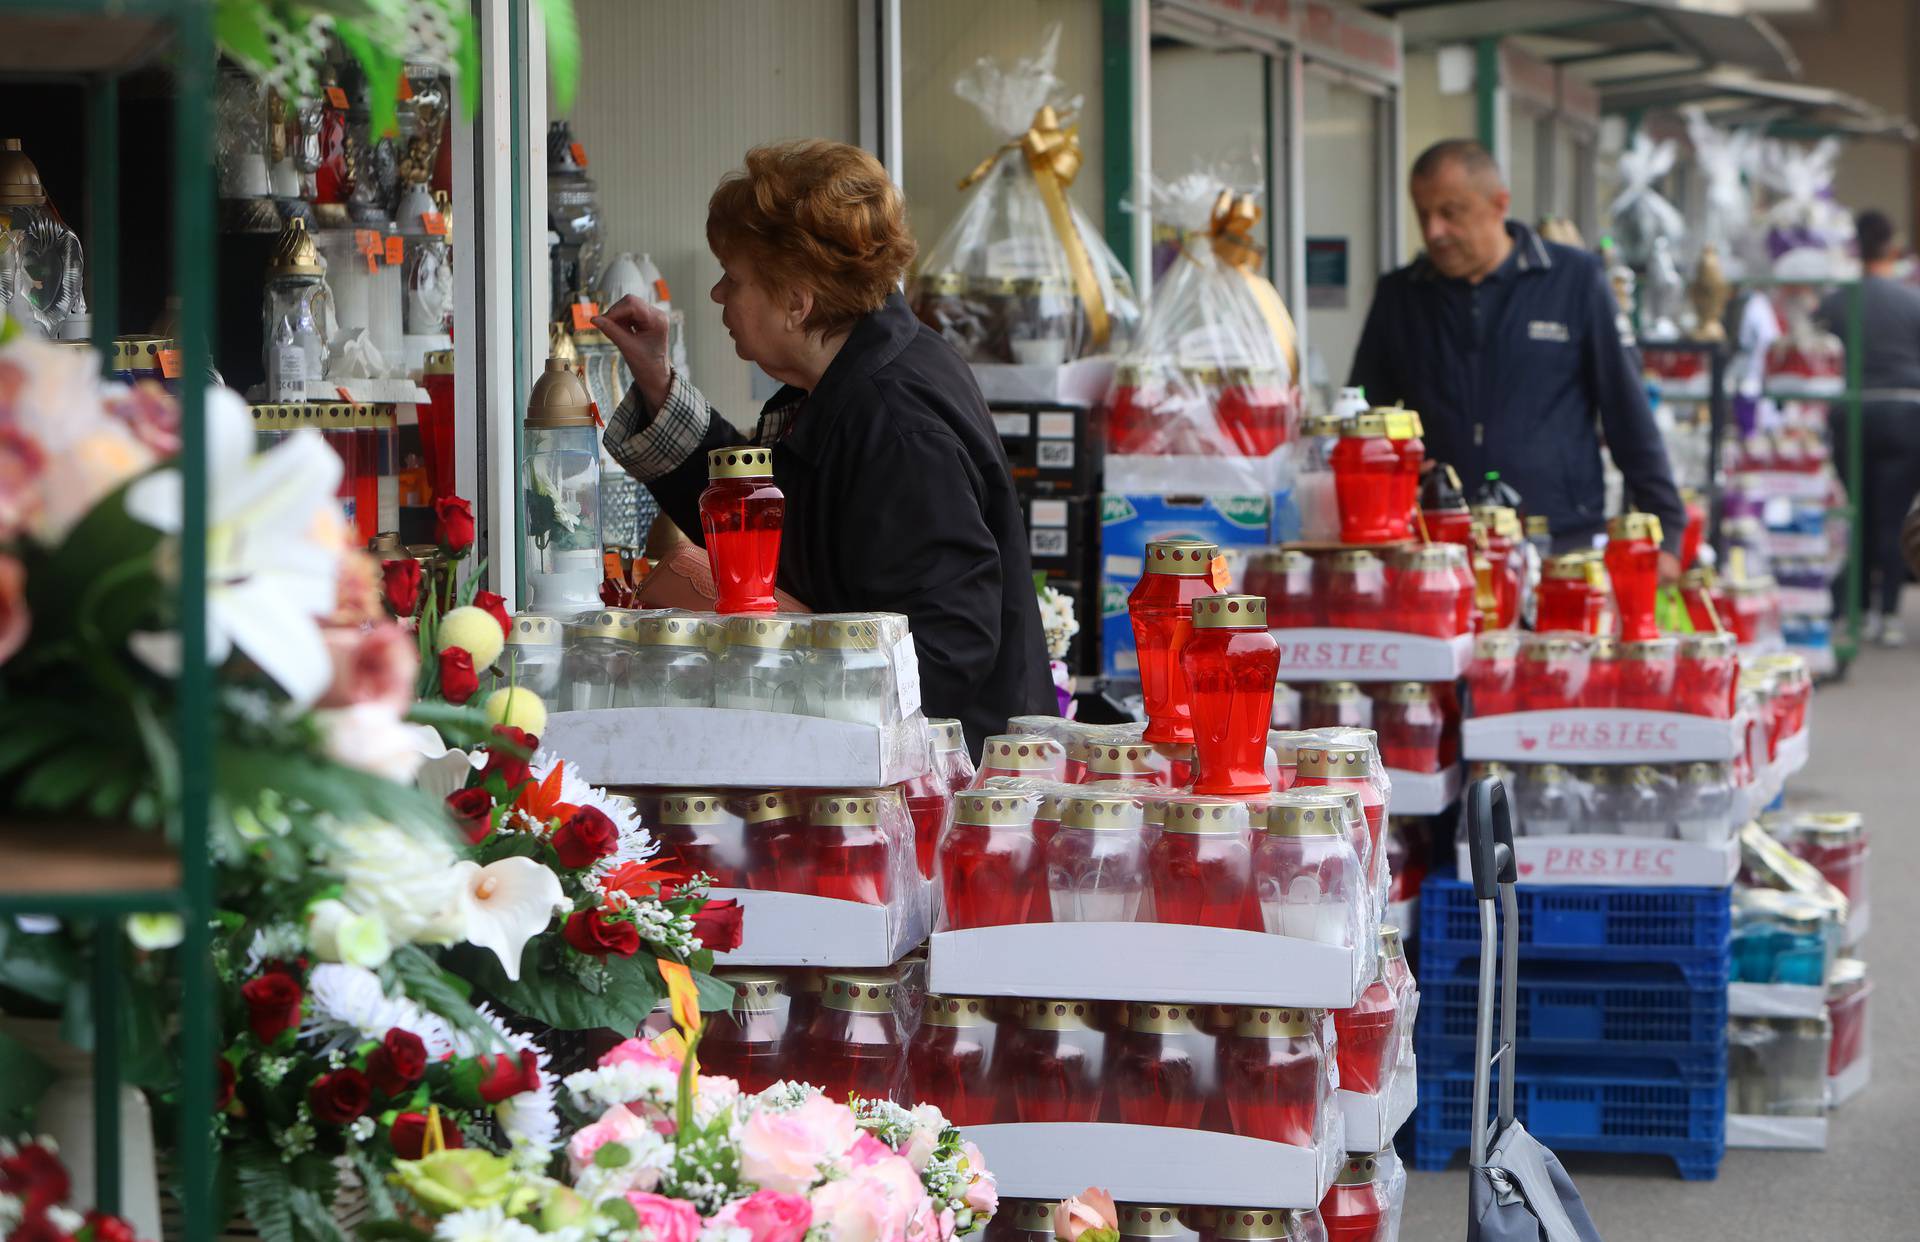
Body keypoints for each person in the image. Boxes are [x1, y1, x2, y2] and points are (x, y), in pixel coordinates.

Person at [591, 139, 1053, 749]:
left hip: (931, 784)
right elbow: (765, 523)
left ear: (796, 303)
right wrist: (656, 379)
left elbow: (948, 647)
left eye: (734, 278)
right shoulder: (857, 376)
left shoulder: (896, 423)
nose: (718, 297)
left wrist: (788, 682)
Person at [1349, 139, 1686, 577]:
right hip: (1435, 546)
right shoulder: (1401, 295)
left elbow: (1626, 407)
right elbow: (1359, 414)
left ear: (1499, 204)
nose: (1433, 231)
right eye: (1423, 213)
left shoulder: (1575, 281)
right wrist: (1395, 465)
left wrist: (1667, 532)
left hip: (1558, 545)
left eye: (1450, 213)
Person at [1817, 209, 1920, 645]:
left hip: (1851, 414)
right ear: (1892, 248)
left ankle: (1853, 610)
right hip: (1903, 415)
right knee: (1894, 516)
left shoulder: (1837, 301)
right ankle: (1890, 614)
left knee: (1855, 511)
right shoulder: (1911, 301)